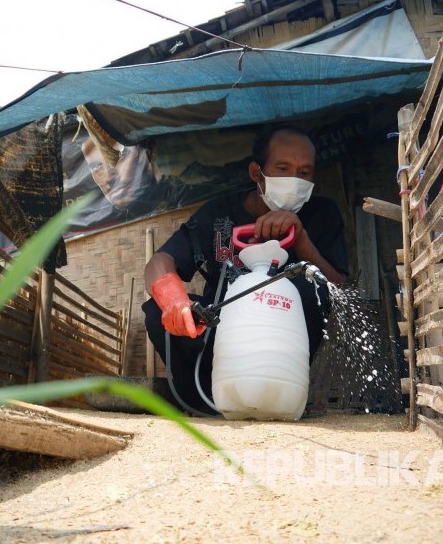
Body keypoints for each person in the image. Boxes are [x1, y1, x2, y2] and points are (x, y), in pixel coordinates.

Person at [142, 125, 349, 415]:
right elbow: (160, 261)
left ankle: (282, 398)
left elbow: (339, 290)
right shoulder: (218, 215)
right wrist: (173, 300)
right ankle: (199, 402)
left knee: (312, 290)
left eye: (304, 172)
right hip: (217, 336)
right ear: (256, 173)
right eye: (282, 168)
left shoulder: (322, 214)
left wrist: (301, 240)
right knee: (156, 310)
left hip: (283, 352)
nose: (295, 180)